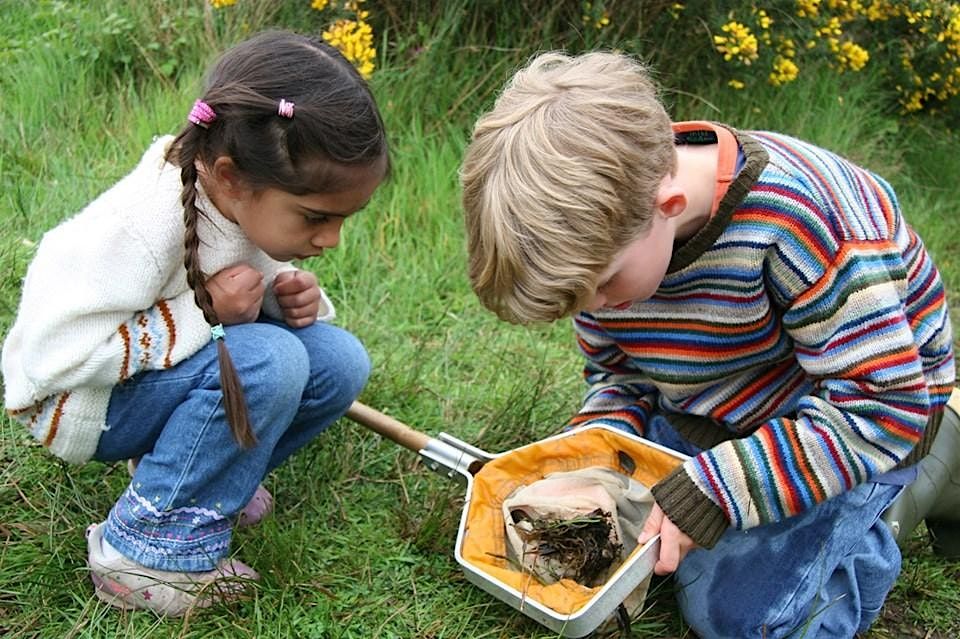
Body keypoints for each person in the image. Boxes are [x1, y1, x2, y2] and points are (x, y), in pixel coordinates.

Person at [460, 50, 958, 638]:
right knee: (580, 531)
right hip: (717, 412)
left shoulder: (800, 223)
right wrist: (596, 456)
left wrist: (718, 492)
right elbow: (621, 376)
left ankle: (907, 493)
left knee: (733, 619)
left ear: (667, 208)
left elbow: (883, 405)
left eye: (603, 288)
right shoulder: (613, 251)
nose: (597, 311)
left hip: (858, 424)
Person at [2, 30, 389, 616]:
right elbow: (54, 358)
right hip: (76, 402)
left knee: (338, 362)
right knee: (272, 361)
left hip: (143, 382)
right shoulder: (139, 225)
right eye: (315, 217)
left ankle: (202, 482)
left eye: (343, 219)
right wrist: (204, 309)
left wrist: (286, 300)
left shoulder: (233, 197)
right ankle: (141, 550)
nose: (331, 239)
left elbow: (244, 290)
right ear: (231, 176)